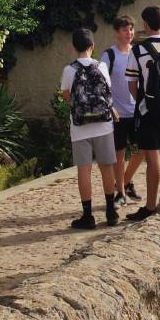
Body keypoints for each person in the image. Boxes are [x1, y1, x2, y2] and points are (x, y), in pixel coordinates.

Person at [125, 6, 160, 222]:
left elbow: (132, 83)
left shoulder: (137, 50)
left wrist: (143, 101)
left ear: (145, 24)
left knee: (152, 157)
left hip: (148, 110)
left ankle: (150, 206)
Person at [59, 28, 118, 229]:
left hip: (80, 127)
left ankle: (87, 216)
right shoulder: (102, 66)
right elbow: (108, 92)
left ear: (73, 48)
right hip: (104, 125)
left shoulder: (69, 70)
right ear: (92, 46)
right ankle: (111, 211)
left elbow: (66, 96)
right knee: (106, 167)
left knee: (84, 170)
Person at [99, 15, 137, 206]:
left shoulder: (137, 52)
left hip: (137, 111)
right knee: (119, 155)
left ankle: (126, 181)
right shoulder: (109, 55)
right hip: (117, 114)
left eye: (131, 29)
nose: (129, 33)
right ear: (116, 32)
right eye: (124, 29)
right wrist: (110, 106)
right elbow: (101, 84)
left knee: (144, 149)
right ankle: (120, 193)